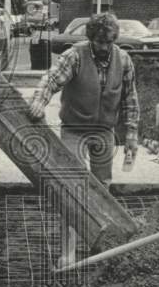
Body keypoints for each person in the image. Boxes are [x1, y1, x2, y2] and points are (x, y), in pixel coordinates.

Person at [27, 12, 140, 188]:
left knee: (102, 184)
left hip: (104, 131)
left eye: (109, 42)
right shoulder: (75, 56)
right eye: (99, 42)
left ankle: (98, 216)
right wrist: (38, 103)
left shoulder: (124, 60)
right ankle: (70, 214)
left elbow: (129, 99)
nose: (104, 47)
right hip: (74, 130)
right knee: (72, 180)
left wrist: (132, 135)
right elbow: (51, 80)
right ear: (91, 38)